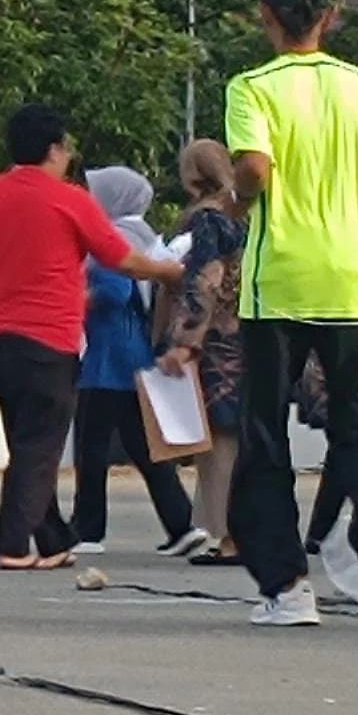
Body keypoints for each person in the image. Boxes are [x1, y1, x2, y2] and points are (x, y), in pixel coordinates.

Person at [225, 0, 358, 629]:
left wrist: (239, 196)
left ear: (266, 16)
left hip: (277, 279)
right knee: (356, 422)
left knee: (264, 433)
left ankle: (285, 587)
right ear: (329, 18)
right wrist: (357, 205)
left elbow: (253, 167)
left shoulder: (252, 87)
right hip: (352, 278)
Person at [0, 105, 186, 570]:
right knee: (42, 442)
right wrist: (169, 272)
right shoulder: (70, 199)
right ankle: (14, 544)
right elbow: (121, 259)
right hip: (50, 335)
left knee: (26, 437)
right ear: (54, 149)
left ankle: (54, 539)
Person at [67, 166, 205, 559]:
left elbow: (113, 289)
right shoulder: (144, 236)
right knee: (144, 448)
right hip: (134, 352)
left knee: (91, 448)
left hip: (109, 355)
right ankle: (181, 524)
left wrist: (80, 296)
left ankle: (88, 528)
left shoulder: (117, 237)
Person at [159, 138, 250, 567]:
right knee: (236, 435)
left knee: (218, 441)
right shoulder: (245, 214)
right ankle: (218, 525)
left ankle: (223, 531)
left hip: (216, 343)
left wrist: (185, 339)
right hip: (249, 334)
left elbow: (207, 280)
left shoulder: (207, 221)